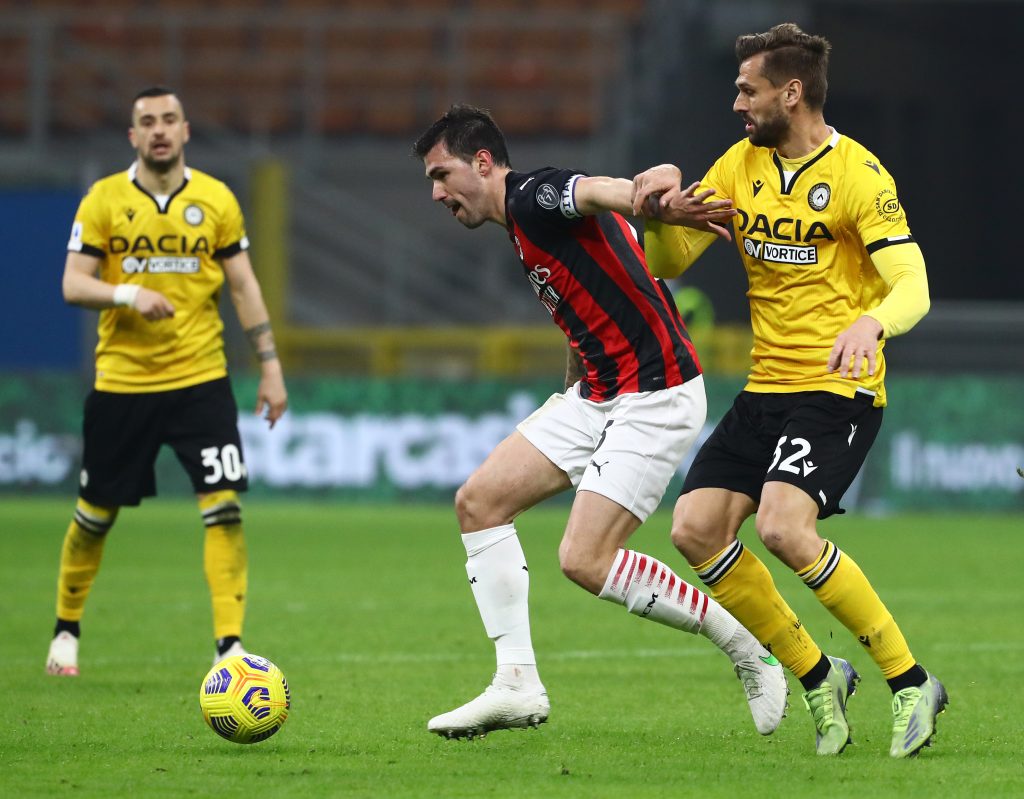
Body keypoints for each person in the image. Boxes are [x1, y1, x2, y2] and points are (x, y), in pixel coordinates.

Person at [411, 104, 787, 740]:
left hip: (655, 394)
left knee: (585, 560)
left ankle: (751, 649)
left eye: (442, 174)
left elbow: (591, 191)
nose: (436, 192)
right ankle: (516, 685)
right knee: (478, 504)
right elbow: (586, 291)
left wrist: (642, 192)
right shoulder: (520, 225)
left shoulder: (530, 197)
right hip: (598, 394)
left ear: (482, 163)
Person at [631, 23, 946, 758]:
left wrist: (873, 323)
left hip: (839, 389)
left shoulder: (860, 175)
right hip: (766, 386)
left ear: (791, 92)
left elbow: (913, 283)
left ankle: (910, 682)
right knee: (695, 529)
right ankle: (817, 673)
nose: (737, 101)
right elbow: (673, 260)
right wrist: (656, 215)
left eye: (749, 89)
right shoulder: (739, 166)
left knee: (782, 528)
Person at [45, 86, 288, 676]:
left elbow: (244, 286)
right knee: (94, 514)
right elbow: (73, 284)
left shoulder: (216, 199)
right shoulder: (103, 199)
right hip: (122, 382)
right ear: (133, 136)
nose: (159, 129)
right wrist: (127, 292)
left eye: (169, 119)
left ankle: (229, 645)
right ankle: (66, 630)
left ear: (185, 131)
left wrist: (270, 365)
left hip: (200, 380)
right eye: (147, 121)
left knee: (224, 508)